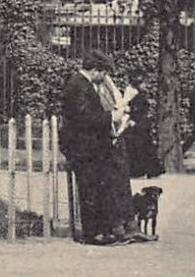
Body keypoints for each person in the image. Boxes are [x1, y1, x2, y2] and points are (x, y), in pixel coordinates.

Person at [59, 54, 141, 244]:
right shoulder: (78, 85)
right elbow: (82, 117)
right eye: (103, 72)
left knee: (96, 187)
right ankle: (92, 233)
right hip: (83, 147)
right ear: (95, 69)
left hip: (90, 146)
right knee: (89, 188)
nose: (104, 77)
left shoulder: (82, 84)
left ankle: (101, 230)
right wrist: (110, 117)